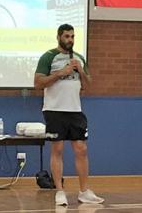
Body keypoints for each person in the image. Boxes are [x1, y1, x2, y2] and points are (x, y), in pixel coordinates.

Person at [34, 24, 104, 206]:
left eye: (72, 36)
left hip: (75, 110)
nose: (70, 40)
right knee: (57, 150)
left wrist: (80, 70)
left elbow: (88, 86)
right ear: (59, 37)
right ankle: (60, 192)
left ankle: (84, 191)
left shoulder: (79, 58)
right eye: (66, 36)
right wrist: (60, 73)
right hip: (54, 110)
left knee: (81, 149)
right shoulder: (48, 57)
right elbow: (38, 83)